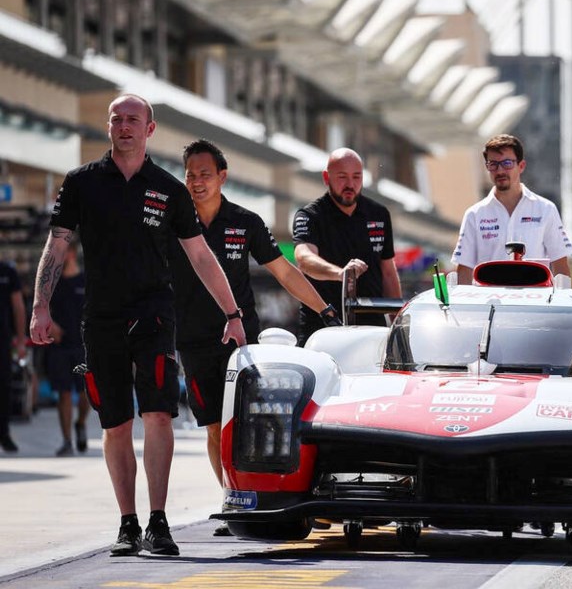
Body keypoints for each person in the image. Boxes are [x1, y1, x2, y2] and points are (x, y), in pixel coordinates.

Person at [30, 94, 246, 558]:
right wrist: (40, 307)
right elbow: (57, 246)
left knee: (158, 414)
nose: (123, 126)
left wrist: (233, 314)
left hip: (154, 315)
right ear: (109, 127)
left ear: (149, 129)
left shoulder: (168, 189)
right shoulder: (82, 183)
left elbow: (200, 255)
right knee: (116, 423)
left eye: (133, 119)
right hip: (101, 317)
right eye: (116, 119)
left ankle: (158, 521)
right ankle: (128, 522)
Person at [169, 138, 340, 536]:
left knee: (256, 423)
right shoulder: (173, 221)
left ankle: (272, 495)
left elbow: (283, 271)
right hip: (193, 339)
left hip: (242, 341)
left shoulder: (245, 221)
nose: (196, 182)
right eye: (191, 175)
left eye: (205, 175)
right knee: (214, 425)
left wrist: (324, 309)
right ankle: (232, 500)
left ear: (222, 177)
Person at [293, 147, 402, 344]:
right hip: (322, 327)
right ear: (327, 178)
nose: (350, 184)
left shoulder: (379, 214)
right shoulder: (310, 215)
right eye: (342, 177)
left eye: (357, 177)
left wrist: (399, 326)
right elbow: (304, 259)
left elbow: (388, 271)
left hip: (372, 327)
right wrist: (340, 274)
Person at [451, 134, 572, 285]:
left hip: (535, 303)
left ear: (521, 166)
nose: (500, 170)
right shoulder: (474, 214)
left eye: (507, 163)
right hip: (489, 304)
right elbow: (464, 270)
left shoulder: (546, 209)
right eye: (493, 164)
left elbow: (560, 264)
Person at [45, 240, 90, 457]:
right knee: (63, 393)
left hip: (83, 346)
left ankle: (80, 422)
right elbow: (40, 308)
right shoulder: (52, 283)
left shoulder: (86, 280)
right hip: (60, 346)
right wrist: (50, 324)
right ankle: (66, 441)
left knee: (86, 393)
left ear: (72, 254)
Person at [0, 259, 27, 453]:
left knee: (3, 387)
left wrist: (20, 340)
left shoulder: (8, 271)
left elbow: (18, 307)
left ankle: (4, 432)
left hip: (3, 340)